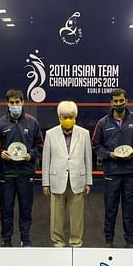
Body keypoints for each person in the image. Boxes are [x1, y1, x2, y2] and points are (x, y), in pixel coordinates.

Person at [92, 88, 133, 248]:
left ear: (126, 101)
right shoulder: (102, 123)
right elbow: (96, 146)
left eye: (121, 100)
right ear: (111, 103)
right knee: (110, 209)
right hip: (112, 172)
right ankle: (109, 241)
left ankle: (130, 241)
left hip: (131, 172)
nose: (118, 104)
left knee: (130, 209)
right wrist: (109, 155)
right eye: (115, 101)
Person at [0, 88, 43, 247]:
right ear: (7, 104)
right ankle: (6, 240)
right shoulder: (0, 124)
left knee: (25, 210)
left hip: (25, 173)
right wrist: (1, 153)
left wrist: (31, 155)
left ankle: (25, 239)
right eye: (11, 102)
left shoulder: (32, 122)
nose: (14, 105)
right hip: (7, 174)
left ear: (22, 102)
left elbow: (40, 145)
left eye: (17, 102)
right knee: (6, 210)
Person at [42, 101, 92, 247]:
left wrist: (88, 181)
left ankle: (76, 242)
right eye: (64, 117)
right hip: (56, 179)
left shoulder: (84, 133)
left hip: (78, 180)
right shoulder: (50, 134)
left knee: (77, 216)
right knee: (56, 216)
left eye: (70, 116)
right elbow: (46, 159)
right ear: (59, 117)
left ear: (75, 117)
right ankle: (58, 242)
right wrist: (46, 182)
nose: (67, 119)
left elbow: (88, 158)